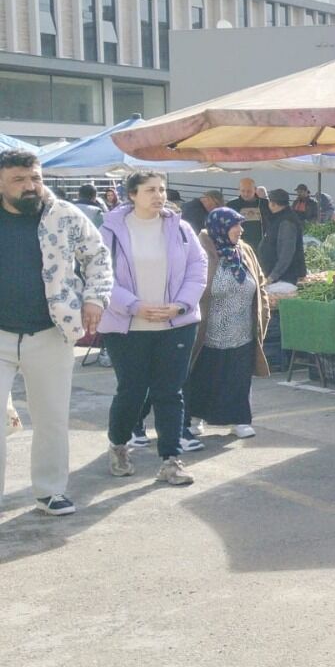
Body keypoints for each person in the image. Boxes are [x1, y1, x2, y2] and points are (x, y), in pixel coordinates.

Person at [0, 149, 111, 515]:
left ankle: (50, 491)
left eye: (35, 178)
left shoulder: (64, 215)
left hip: (51, 332)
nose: (30, 186)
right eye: (20, 179)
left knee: (51, 418)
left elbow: (98, 257)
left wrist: (95, 299)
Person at [100, 170, 208, 489]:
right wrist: (133, 305)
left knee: (169, 392)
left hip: (175, 324)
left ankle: (170, 460)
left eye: (162, 189)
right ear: (131, 195)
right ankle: (119, 445)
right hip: (127, 325)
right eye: (150, 190)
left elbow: (198, 269)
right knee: (132, 391)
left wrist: (181, 305)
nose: (159, 196)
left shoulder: (181, 228)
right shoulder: (110, 231)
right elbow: (99, 275)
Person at [184, 207, 270, 442]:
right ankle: (195, 418)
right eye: (236, 225)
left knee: (239, 377)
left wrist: (263, 312)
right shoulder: (202, 251)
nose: (241, 230)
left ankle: (240, 420)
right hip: (209, 330)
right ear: (220, 227)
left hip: (242, 329)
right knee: (204, 374)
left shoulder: (244, 251)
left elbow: (259, 283)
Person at [259, 189, 307, 287]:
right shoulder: (279, 217)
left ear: (273, 204)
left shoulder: (287, 222)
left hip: (284, 278)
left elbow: (286, 253)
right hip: (277, 276)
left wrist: (273, 276)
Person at [226, 177, 268, 249]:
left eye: (249, 191)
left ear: (255, 189)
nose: (246, 194)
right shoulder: (231, 205)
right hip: (239, 244)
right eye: (243, 191)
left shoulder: (265, 204)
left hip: (261, 245)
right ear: (239, 189)